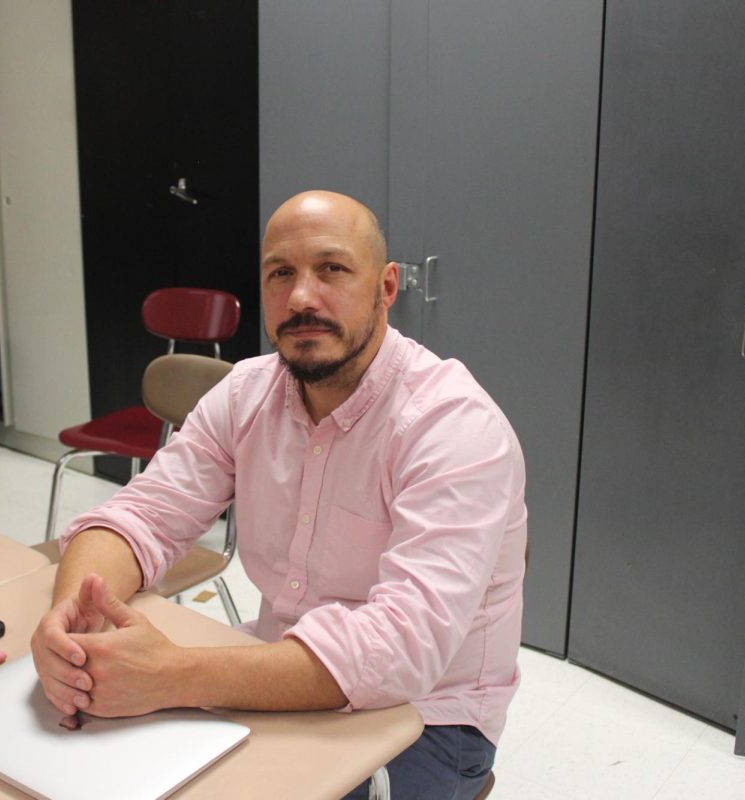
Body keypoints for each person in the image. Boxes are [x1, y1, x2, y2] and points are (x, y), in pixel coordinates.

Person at [31, 190, 527, 800]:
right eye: (280, 274)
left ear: (386, 287)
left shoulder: (452, 427)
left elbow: (402, 650)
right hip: (280, 665)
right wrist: (71, 619)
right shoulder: (246, 393)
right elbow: (143, 514)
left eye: (332, 269)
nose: (301, 298)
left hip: (428, 715)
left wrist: (172, 674)